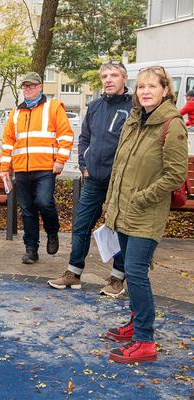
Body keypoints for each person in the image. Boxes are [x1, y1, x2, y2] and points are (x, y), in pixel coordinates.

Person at [103, 66, 188, 364]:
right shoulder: (135, 121)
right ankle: (136, 323)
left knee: (137, 274)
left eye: (153, 86)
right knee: (129, 269)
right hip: (124, 210)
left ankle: (144, 340)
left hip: (146, 213)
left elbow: (176, 175)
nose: (146, 91)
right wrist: (111, 204)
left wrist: (142, 198)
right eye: (141, 87)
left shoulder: (171, 125)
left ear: (166, 90)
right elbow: (119, 167)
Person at [48, 61, 131, 297]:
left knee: (119, 229)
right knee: (81, 226)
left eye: (114, 75)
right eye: (104, 75)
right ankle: (73, 274)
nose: (108, 79)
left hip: (121, 181)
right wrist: (85, 166)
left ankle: (117, 279)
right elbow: (84, 138)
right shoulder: (94, 106)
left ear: (124, 78)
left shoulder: (133, 106)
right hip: (93, 179)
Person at [0, 72, 74, 264]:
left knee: (44, 202)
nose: (28, 89)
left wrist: (61, 160)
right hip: (22, 169)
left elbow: (65, 135)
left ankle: (52, 231)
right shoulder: (16, 113)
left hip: (45, 168)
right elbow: (8, 142)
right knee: (27, 210)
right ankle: (31, 249)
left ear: (40, 87)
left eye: (31, 86)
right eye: (25, 86)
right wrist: (5, 168)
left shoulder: (53, 107)